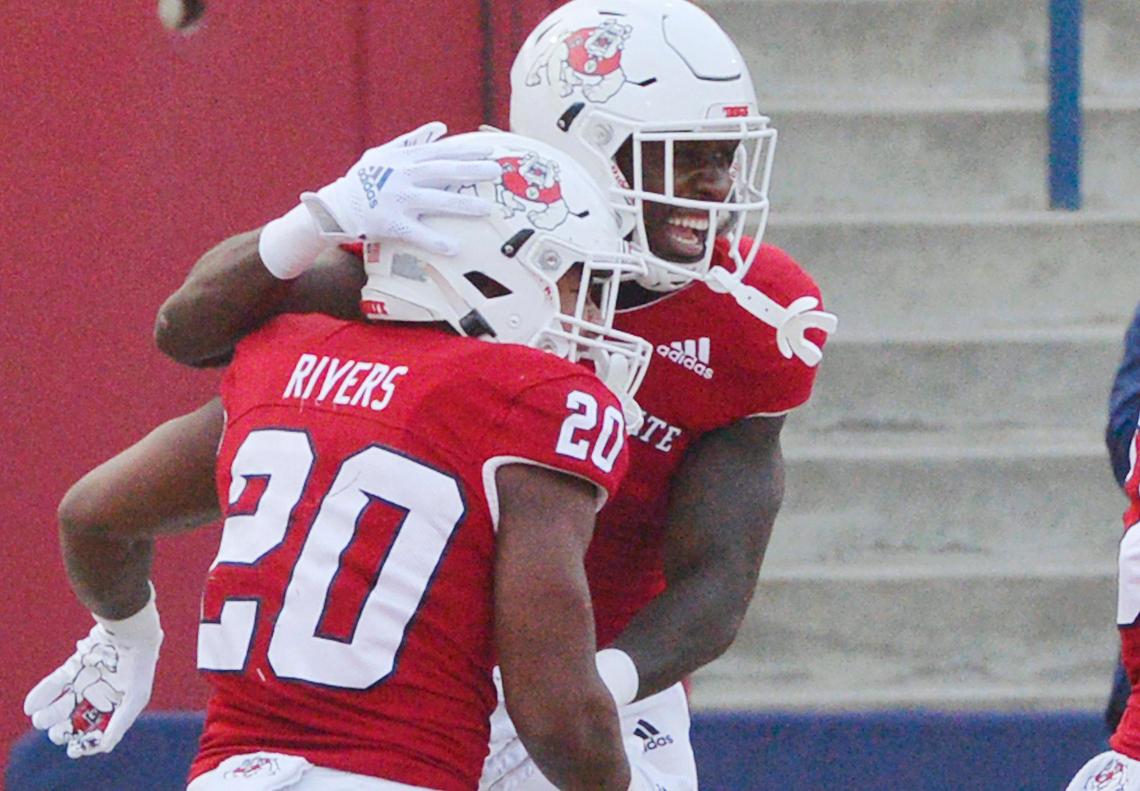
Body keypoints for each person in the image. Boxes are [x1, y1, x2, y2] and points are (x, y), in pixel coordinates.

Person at [152, 1, 836, 786]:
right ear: (584, 150)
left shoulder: (756, 315)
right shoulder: (456, 231)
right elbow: (189, 335)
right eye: (684, 158)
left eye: (725, 156)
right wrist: (319, 217)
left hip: (606, 668)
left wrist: (591, 685)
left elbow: (718, 576)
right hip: (422, 684)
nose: (715, 189)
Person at [24, 131, 676, 791]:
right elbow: (558, 714)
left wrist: (124, 633)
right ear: (495, 270)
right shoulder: (532, 401)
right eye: (581, 285)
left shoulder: (280, 360)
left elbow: (92, 514)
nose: (595, 315)